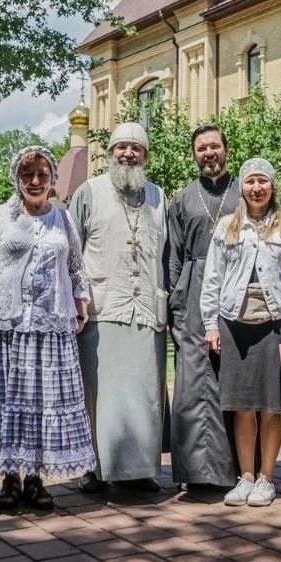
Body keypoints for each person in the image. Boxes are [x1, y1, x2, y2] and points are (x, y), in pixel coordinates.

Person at [0, 146, 96, 512]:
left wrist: (81, 308)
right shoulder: (1, 218)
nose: (35, 181)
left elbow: (76, 267)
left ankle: (36, 479)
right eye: (27, 175)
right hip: (10, 328)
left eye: (42, 175)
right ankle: (11, 479)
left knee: (44, 405)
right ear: (17, 178)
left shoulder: (62, 219)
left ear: (52, 181)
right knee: (12, 403)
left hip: (52, 328)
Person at [201, 159, 281, 507]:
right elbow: (212, 278)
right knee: (242, 407)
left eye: (262, 181)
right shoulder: (226, 227)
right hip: (234, 325)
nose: (256, 188)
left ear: (272, 186)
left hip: (275, 324)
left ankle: (267, 477)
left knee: (271, 407)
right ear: (242, 187)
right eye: (250, 181)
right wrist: (209, 323)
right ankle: (246, 477)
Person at [69, 122, 168, 493]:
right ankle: (95, 471)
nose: (128, 154)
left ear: (145, 156)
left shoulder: (158, 196)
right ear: (109, 154)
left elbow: (167, 252)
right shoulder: (89, 192)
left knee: (145, 395)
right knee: (101, 396)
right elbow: (70, 251)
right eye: (120, 148)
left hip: (145, 310)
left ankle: (142, 471)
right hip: (101, 307)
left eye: (136, 148)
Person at [164, 124, 239, 491]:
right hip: (193, 297)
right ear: (195, 155)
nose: (208, 154)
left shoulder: (244, 192)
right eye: (201, 149)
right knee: (193, 386)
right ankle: (195, 474)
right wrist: (176, 301)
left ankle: (235, 470)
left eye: (214, 147)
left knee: (233, 382)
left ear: (226, 149)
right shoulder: (182, 198)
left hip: (237, 294)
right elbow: (173, 257)